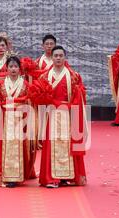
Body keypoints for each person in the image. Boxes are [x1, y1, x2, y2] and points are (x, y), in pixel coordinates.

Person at [34, 46, 88, 188]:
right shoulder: (44, 76)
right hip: (52, 114)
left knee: (68, 143)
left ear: (65, 57)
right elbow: (39, 97)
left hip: (68, 114)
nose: (58, 58)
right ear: (52, 58)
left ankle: (68, 177)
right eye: (56, 56)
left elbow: (80, 95)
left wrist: (73, 104)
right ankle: (52, 178)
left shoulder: (73, 76)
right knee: (52, 143)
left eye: (60, 55)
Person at [0, 56, 37, 187]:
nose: (13, 69)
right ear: (7, 68)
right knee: (3, 146)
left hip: (21, 118)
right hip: (5, 118)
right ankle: (4, 175)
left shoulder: (25, 84)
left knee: (20, 146)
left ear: (20, 69)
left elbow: (30, 100)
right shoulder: (1, 85)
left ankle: (17, 175)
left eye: (16, 66)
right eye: (11, 66)